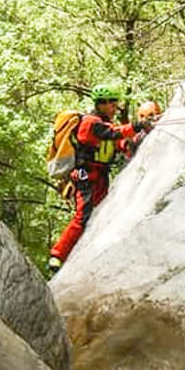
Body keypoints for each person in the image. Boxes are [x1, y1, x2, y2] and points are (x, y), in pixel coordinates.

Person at [48, 83, 154, 273]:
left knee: (100, 214)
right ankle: (57, 254)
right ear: (102, 104)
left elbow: (116, 141)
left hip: (100, 175)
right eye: (112, 104)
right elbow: (112, 133)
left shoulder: (103, 122)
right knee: (83, 215)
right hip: (85, 175)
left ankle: (87, 253)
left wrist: (128, 145)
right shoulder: (90, 123)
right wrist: (137, 126)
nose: (115, 108)